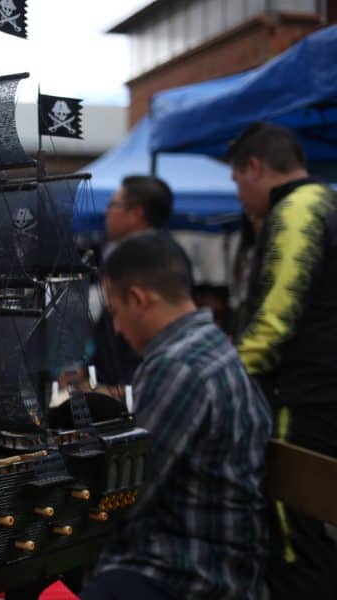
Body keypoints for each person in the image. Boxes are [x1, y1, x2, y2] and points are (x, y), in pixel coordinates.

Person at [81, 231, 271, 600]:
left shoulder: (178, 365)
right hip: (219, 562)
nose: (117, 330)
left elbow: (131, 490)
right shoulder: (211, 344)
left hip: (190, 574)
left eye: (116, 314)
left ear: (138, 299)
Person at [227, 121, 337, 598]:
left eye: (236, 182)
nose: (239, 196)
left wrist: (223, 377)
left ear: (254, 168)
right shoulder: (327, 200)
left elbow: (275, 317)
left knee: (296, 544)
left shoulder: (296, 210)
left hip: (302, 401)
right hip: (321, 394)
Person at [92, 176, 174, 386]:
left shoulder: (154, 259)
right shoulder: (147, 253)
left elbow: (148, 330)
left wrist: (124, 391)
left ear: (136, 213)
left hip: (133, 389)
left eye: (113, 205)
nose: (107, 212)